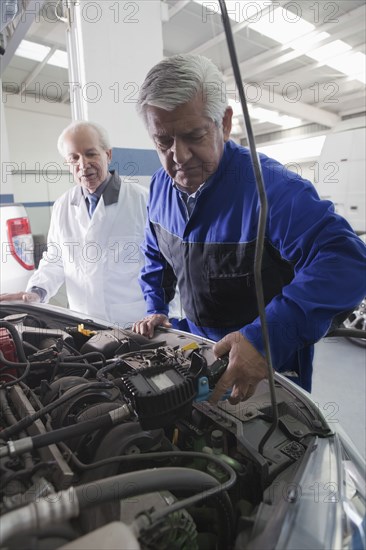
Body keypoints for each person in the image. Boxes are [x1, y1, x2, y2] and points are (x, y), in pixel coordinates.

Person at [132, 54, 366, 400]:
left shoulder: (272, 190)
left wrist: (266, 338)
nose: (178, 157)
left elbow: (346, 263)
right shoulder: (159, 188)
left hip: (268, 365)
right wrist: (156, 307)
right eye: (163, 141)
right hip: (200, 349)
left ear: (224, 123)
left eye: (193, 135)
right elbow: (157, 254)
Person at [0, 121, 149, 328]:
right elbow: (55, 260)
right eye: (74, 158)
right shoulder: (63, 205)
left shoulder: (142, 200)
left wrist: (165, 314)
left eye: (91, 154)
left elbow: (164, 266)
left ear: (108, 154)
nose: (83, 164)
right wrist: (35, 293)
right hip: (83, 323)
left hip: (134, 324)